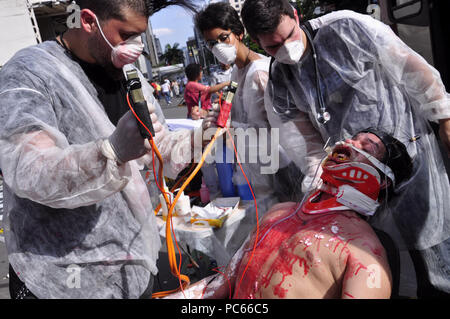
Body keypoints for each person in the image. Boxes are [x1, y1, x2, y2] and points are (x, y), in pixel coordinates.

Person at [0, 0, 215, 299]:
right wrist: (111, 153)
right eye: (126, 35)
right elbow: (31, 171)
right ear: (88, 21)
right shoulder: (30, 74)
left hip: (132, 267)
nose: (136, 46)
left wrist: (203, 137)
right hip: (60, 277)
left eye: (140, 35)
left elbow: (159, 149)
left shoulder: (130, 77)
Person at [239, 0, 450, 297]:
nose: (285, 50)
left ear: (295, 15)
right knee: (381, 255)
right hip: (357, 180)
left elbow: (409, 67)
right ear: (256, 42)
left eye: (288, 37)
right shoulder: (279, 79)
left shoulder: (346, 29)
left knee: (432, 245)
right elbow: (304, 142)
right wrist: (320, 177)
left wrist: (443, 114)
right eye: (272, 48)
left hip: (409, 154)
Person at [167, 129, 413, 299]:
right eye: (353, 138)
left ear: (381, 181)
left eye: (365, 146)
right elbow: (222, 285)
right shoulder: (278, 214)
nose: (349, 143)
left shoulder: (364, 253)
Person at [195, 1, 306, 207]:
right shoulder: (237, 72)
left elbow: (285, 133)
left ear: (238, 33)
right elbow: (241, 114)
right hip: (257, 172)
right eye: (211, 43)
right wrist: (219, 116)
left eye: (223, 38)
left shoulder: (261, 73)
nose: (218, 47)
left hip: (281, 174)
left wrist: (231, 128)